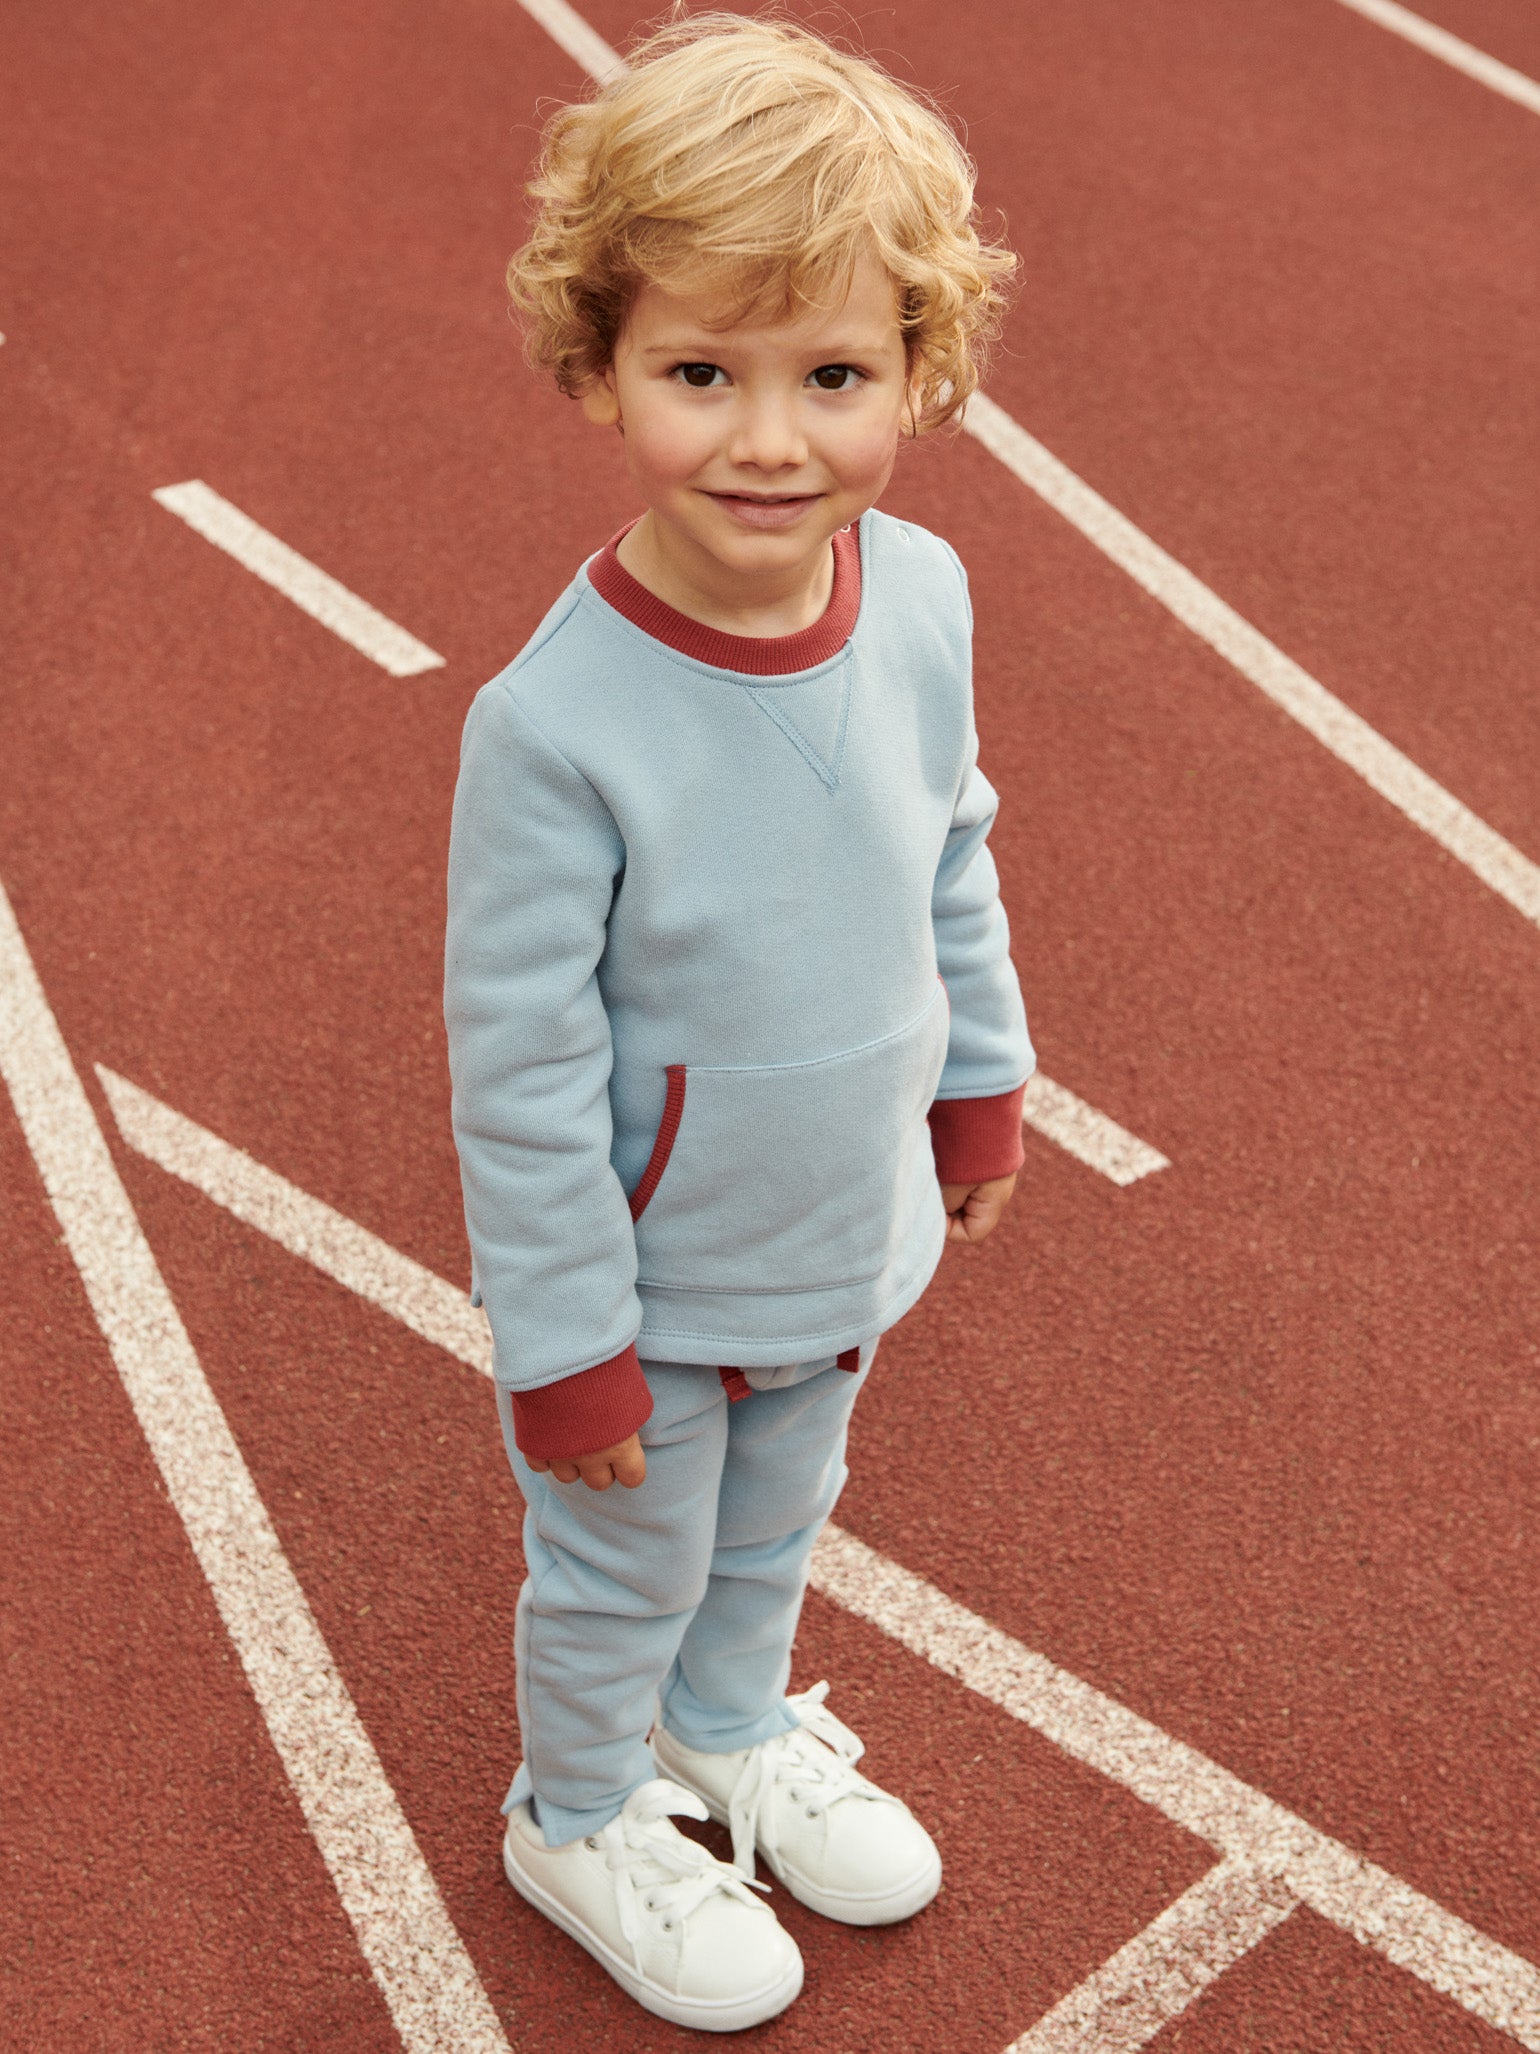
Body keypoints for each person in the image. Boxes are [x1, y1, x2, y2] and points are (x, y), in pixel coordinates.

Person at [444, 11, 1034, 2031]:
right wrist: (565, 1348)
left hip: (835, 1240)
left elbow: (949, 846)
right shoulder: (552, 732)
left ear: (919, 375)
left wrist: (979, 1085)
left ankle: (722, 1729)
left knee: (784, 1523)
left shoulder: (928, 596)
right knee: (617, 1562)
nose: (768, 438)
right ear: (596, 365)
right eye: (699, 372)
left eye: (832, 375)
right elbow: (517, 1078)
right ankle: (580, 1801)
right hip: (654, 1287)